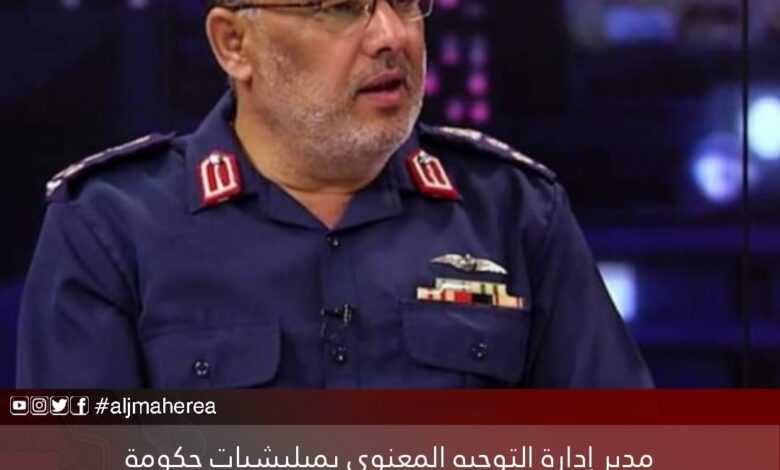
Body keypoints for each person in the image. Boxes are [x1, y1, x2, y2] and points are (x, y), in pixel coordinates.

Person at [16, 0, 652, 388]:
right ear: (234, 44)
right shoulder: (109, 228)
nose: (391, 36)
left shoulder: (517, 212)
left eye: (404, 2)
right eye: (341, 8)